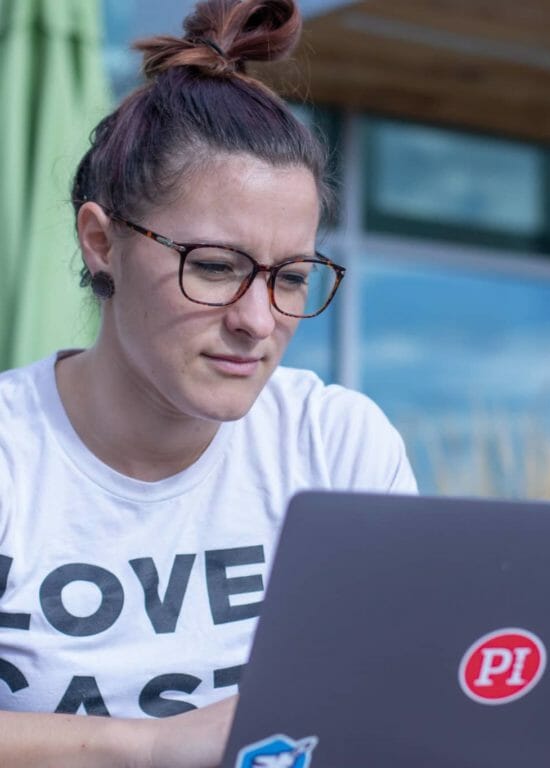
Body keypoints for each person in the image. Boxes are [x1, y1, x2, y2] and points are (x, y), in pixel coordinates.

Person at [0, 0, 417, 765]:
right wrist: (151, 746)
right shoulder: (11, 457)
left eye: (291, 278)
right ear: (102, 244)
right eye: (216, 267)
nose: (258, 321)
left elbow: (395, 692)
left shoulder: (335, 445)